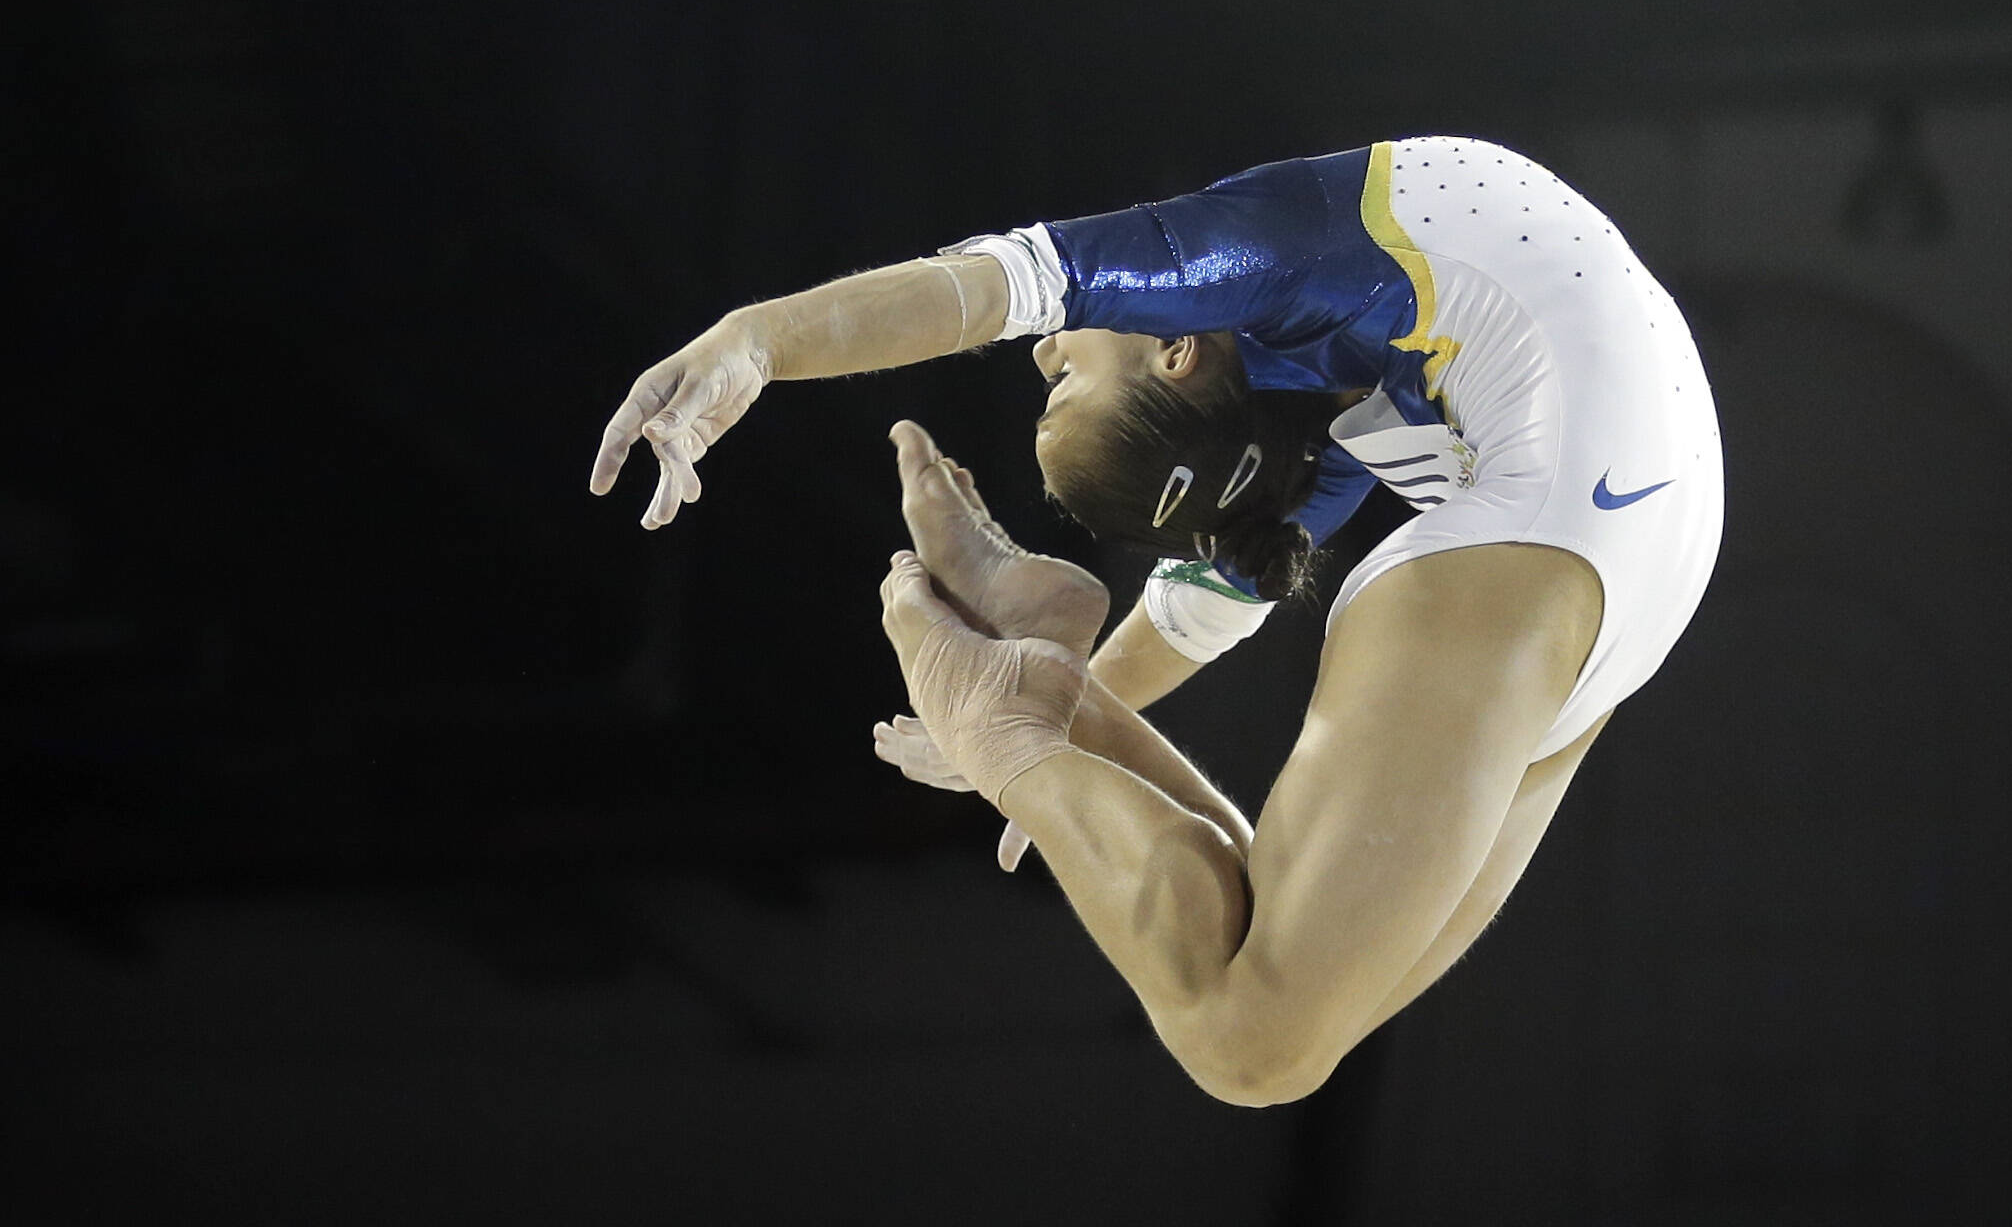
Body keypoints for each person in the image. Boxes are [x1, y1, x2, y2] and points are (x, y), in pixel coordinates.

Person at [589, 139, 1723, 1105]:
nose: (1042, 355)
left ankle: (1016, 719)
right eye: (1059, 390)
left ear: (1173, 343)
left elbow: (984, 292)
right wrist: (1073, 720)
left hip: (1568, 552)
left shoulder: (1277, 248)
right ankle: (1034, 697)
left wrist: (758, 338)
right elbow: (1208, 608)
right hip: (1614, 559)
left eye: (1054, 388)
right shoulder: (1312, 393)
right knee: (1277, 1033)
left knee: (1250, 1043)